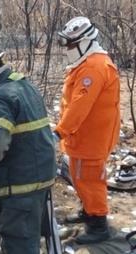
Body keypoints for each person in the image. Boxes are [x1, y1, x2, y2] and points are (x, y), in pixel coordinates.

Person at [0, 43, 57, 254]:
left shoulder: (1, 97)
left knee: (19, 243)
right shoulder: (26, 86)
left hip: (23, 184)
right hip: (42, 177)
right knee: (29, 236)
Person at [54, 16, 120, 244]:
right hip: (83, 138)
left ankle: (99, 226)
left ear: (85, 41)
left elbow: (79, 106)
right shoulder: (86, 64)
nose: (68, 49)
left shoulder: (94, 67)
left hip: (90, 139)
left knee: (91, 182)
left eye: (71, 44)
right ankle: (89, 213)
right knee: (81, 179)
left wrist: (59, 131)